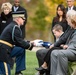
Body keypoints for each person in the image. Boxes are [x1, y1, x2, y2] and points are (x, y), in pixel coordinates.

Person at [50, 10, 76, 75]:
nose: (66, 20)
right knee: (54, 52)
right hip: (71, 49)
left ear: (71, 19)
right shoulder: (72, 28)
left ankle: (60, 74)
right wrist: (67, 45)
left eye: (67, 18)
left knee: (61, 53)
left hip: (74, 50)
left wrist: (69, 46)